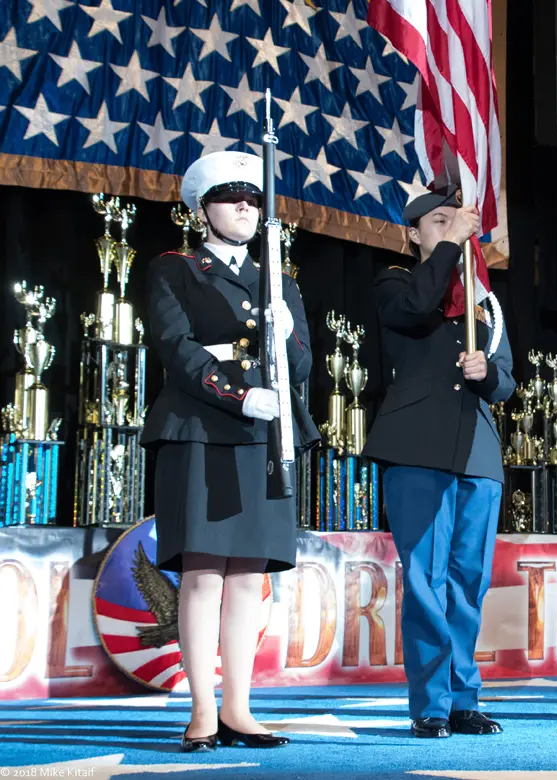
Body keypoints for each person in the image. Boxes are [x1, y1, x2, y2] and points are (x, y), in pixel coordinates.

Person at [142, 150, 318, 751]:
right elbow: (177, 347)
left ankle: (239, 707)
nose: (245, 206)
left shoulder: (280, 281)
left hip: (262, 439)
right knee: (203, 575)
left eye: (253, 198)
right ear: (202, 210)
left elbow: (301, 366)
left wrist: (285, 332)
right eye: (231, 198)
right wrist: (239, 392)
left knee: (248, 577)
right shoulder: (175, 269)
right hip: (202, 428)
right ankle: (200, 710)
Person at [363, 187, 515, 739]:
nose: (453, 228)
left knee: (468, 582)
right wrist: (453, 243)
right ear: (414, 232)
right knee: (426, 582)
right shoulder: (396, 281)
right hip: (417, 448)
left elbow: (507, 380)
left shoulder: (485, 300)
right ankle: (431, 703)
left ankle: (463, 698)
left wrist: (488, 373)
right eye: (440, 221)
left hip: (477, 451)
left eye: (458, 221)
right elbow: (414, 308)